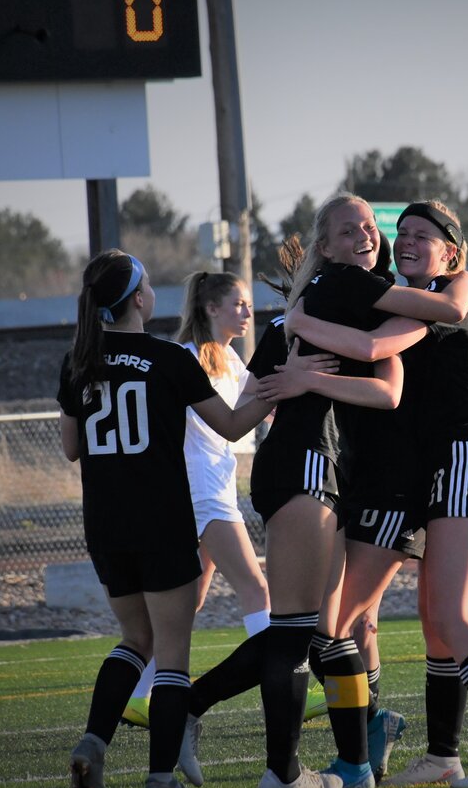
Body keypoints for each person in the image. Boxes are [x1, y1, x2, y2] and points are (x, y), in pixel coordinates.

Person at [178, 192, 468, 788]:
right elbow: (392, 377)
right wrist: (459, 291)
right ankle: (275, 762)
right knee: (305, 630)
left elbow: (235, 422)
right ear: (326, 246)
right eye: (348, 229)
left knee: (331, 632)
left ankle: (355, 756)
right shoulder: (344, 292)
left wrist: (297, 372)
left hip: (327, 476)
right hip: (315, 469)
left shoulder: (306, 308)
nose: (365, 234)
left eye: (369, 225)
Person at [286, 200, 468, 788]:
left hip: (464, 456)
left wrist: (299, 326)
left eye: (421, 235)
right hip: (441, 468)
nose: (405, 240)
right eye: (401, 232)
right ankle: (444, 754)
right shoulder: (417, 294)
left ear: (451, 251)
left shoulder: (449, 295)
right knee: (433, 620)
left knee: (452, 614)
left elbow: (373, 348)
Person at [57, 250, 279, 788]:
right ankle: (160, 780)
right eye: (148, 284)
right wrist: (280, 387)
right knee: (173, 652)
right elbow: (229, 426)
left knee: (137, 640)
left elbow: (70, 447)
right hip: (160, 518)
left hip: (105, 524)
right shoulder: (164, 358)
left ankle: (93, 740)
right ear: (137, 299)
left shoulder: (78, 361)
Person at [119, 271, 325, 729]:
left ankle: (138, 695)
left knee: (191, 599)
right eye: (238, 304)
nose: (247, 312)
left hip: (216, 485)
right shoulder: (188, 358)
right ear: (211, 309)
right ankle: (292, 687)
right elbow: (222, 423)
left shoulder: (231, 359)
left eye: (249, 304)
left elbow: (244, 413)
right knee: (257, 588)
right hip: (200, 491)